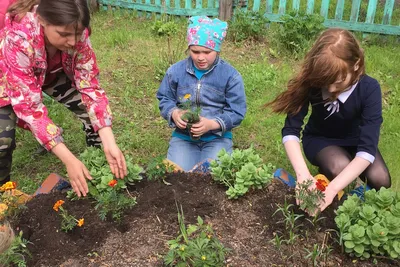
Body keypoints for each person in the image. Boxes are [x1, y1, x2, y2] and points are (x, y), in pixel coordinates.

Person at [0, 0, 127, 197]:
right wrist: (69, 160)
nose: (73, 41)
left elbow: (90, 85)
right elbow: (31, 109)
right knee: (3, 139)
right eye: (64, 34)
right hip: (8, 78)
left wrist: (109, 140)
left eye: (78, 33)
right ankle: (3, 193)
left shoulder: (76, 30)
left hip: (49, 71)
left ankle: (98, 166)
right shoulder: (19, 38)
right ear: (42, 20)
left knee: (91, 115)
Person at [269, 28, 391, 212]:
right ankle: (326, 180)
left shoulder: (369, 88)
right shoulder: (314, 81)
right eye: (326, 82)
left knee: (382, 181)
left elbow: (367, 149)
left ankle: (340, 187)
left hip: (356, 142)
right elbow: (291, 131)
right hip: (320, 140)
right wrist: (302, 174)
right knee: (339, 166)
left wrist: (333, 189)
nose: (332, 89)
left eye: (339, 81)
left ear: (356, 65)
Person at [157, 16, 247, 172]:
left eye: (207, 52)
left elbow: (237, 112)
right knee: (177, 176)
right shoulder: (175, 72)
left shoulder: (230, 76)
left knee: (214, 177)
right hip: (183, 138)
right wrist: (174, 113)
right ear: (189, 48)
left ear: (217, 50)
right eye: (195, 51)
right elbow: (165, 98)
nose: (200, 57)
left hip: (217, 138)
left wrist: (211, 124)